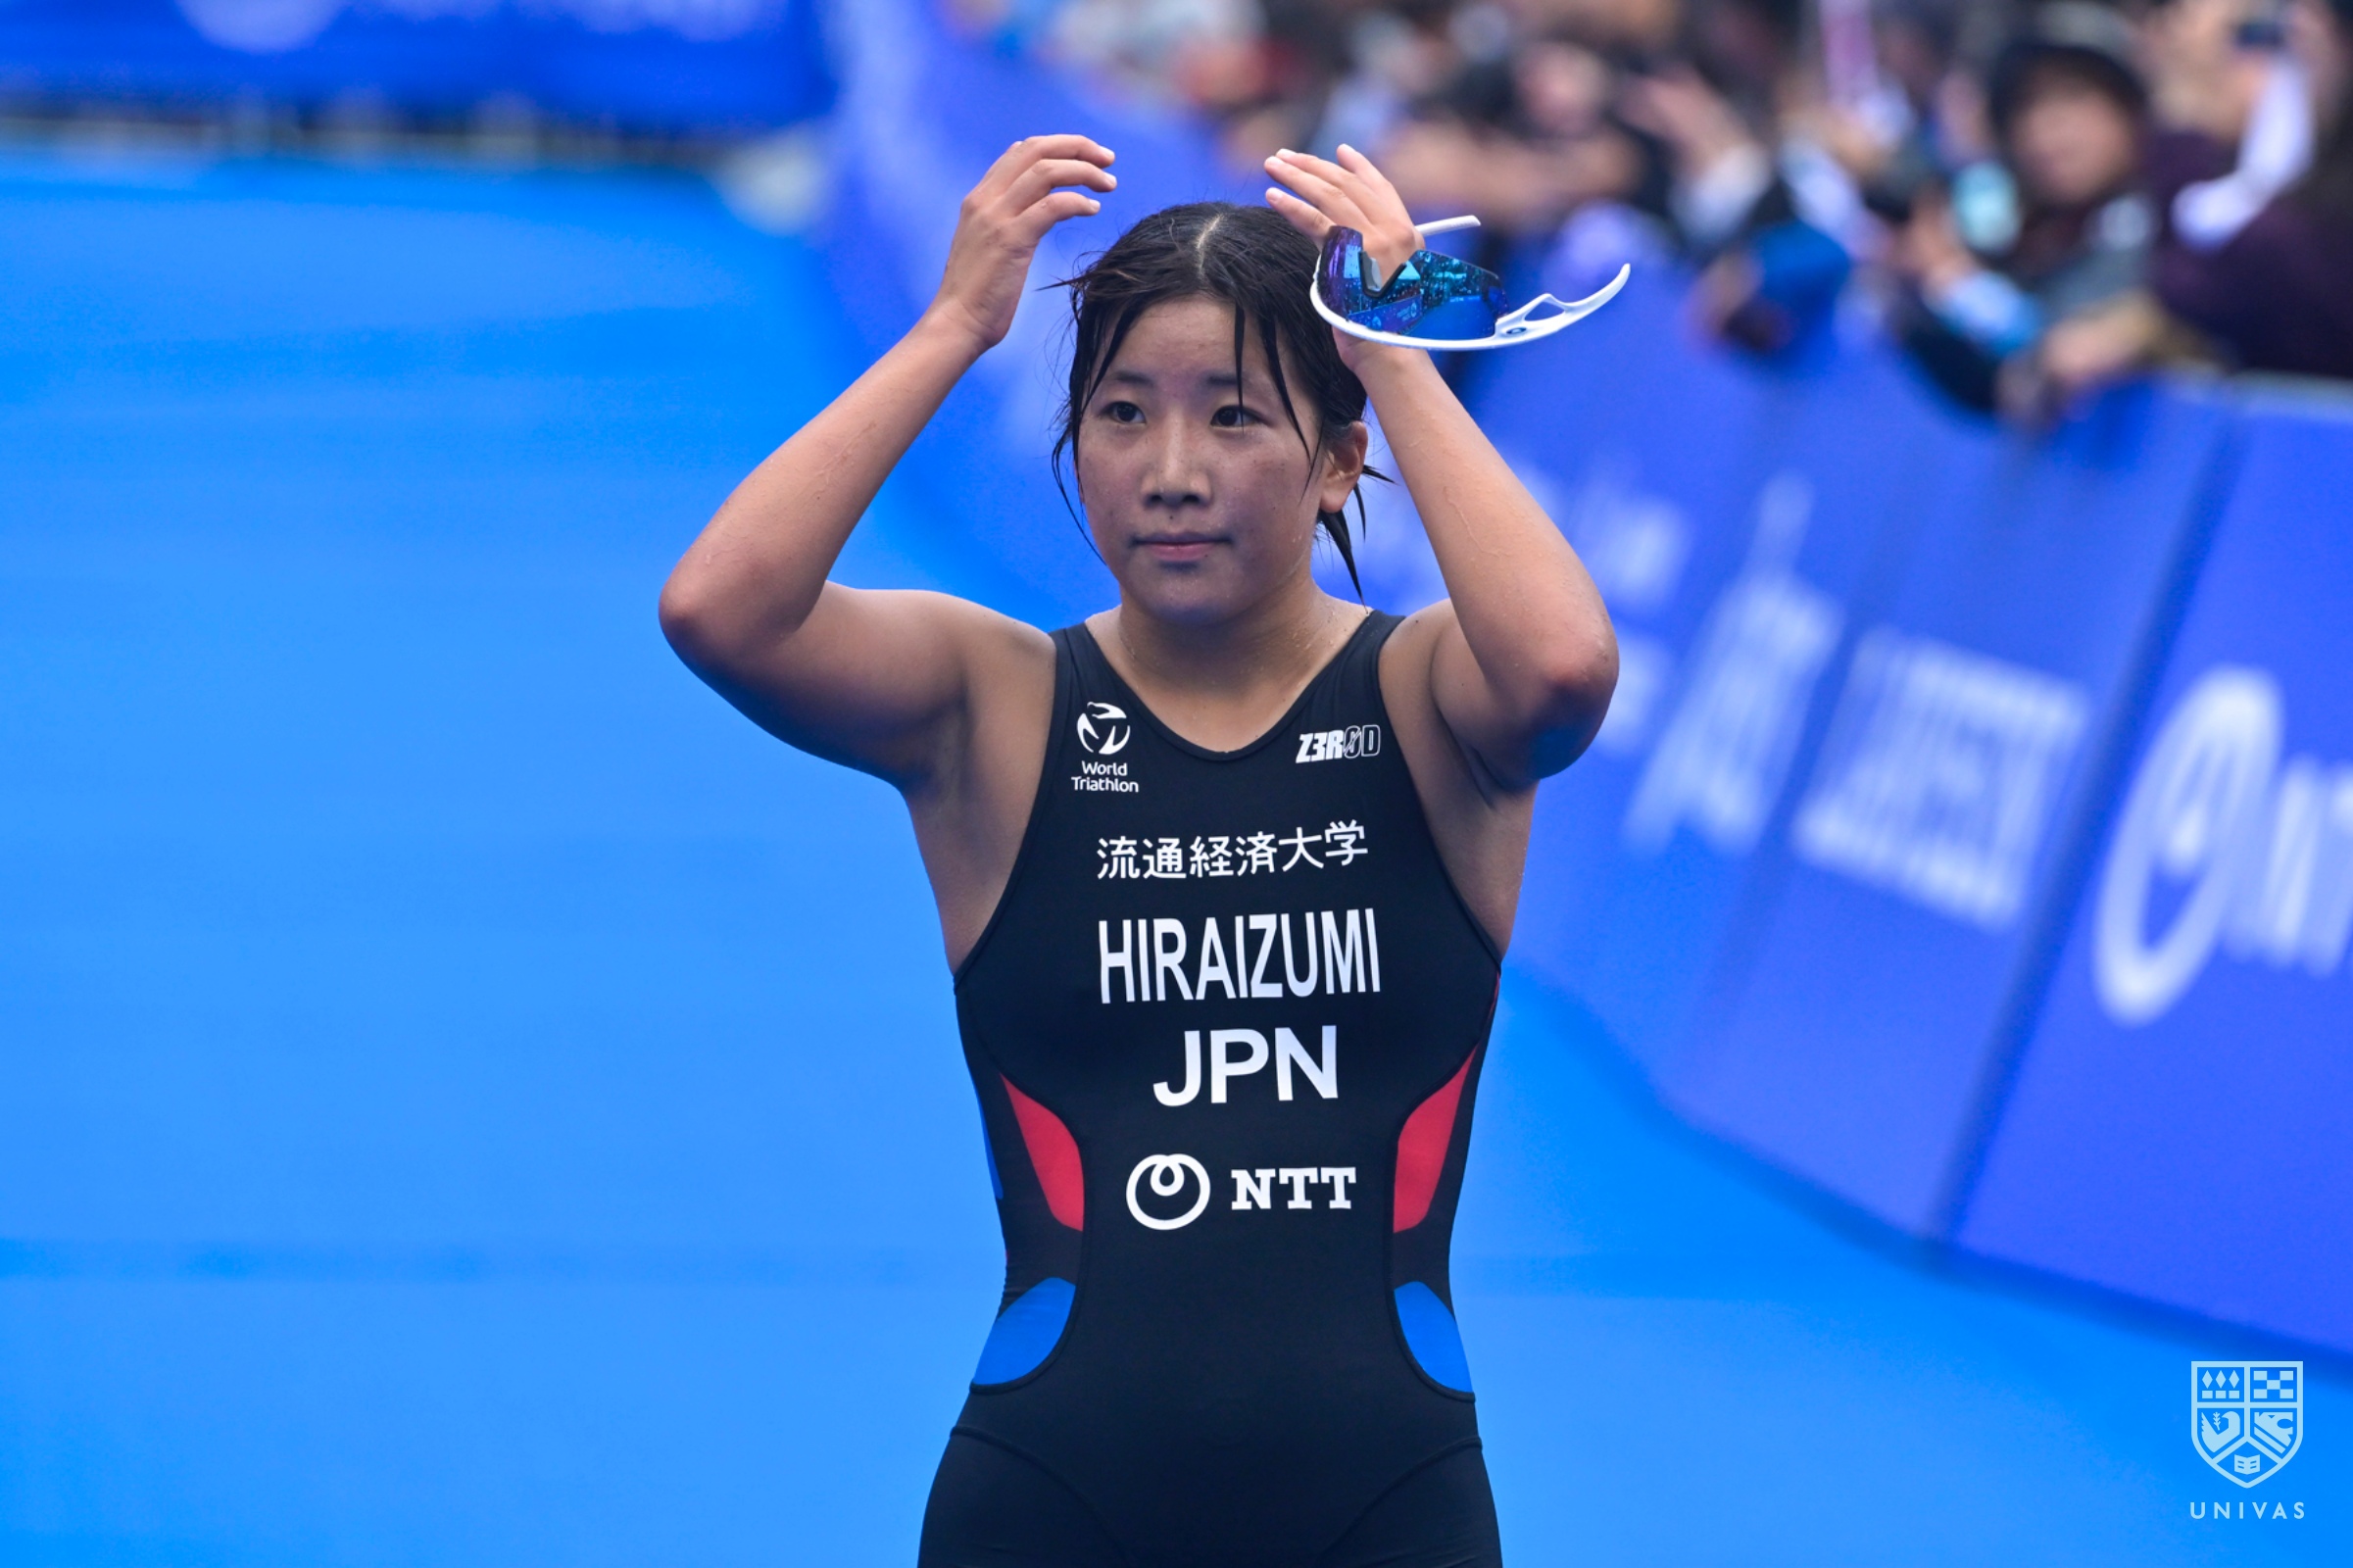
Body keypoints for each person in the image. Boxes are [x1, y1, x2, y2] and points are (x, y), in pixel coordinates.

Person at [658, 134, 1618, 1565]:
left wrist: (1395, 350)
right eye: (1119, 415)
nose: (1171, 472)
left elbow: (1563, 669)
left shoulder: (1429, 701)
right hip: (1056, 1496)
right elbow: (719, 611)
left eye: (1235, 417)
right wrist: (953, 327)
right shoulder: (994, 704)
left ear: (1339, 459)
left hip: (1384, 1503)